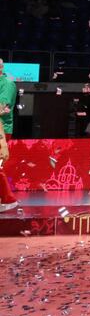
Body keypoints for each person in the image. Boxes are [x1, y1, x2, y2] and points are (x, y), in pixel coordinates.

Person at [0, 59, 19, 212]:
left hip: (2, 130)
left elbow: (1, 110)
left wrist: (3, 144)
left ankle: (8, 199)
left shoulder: (7, 84)